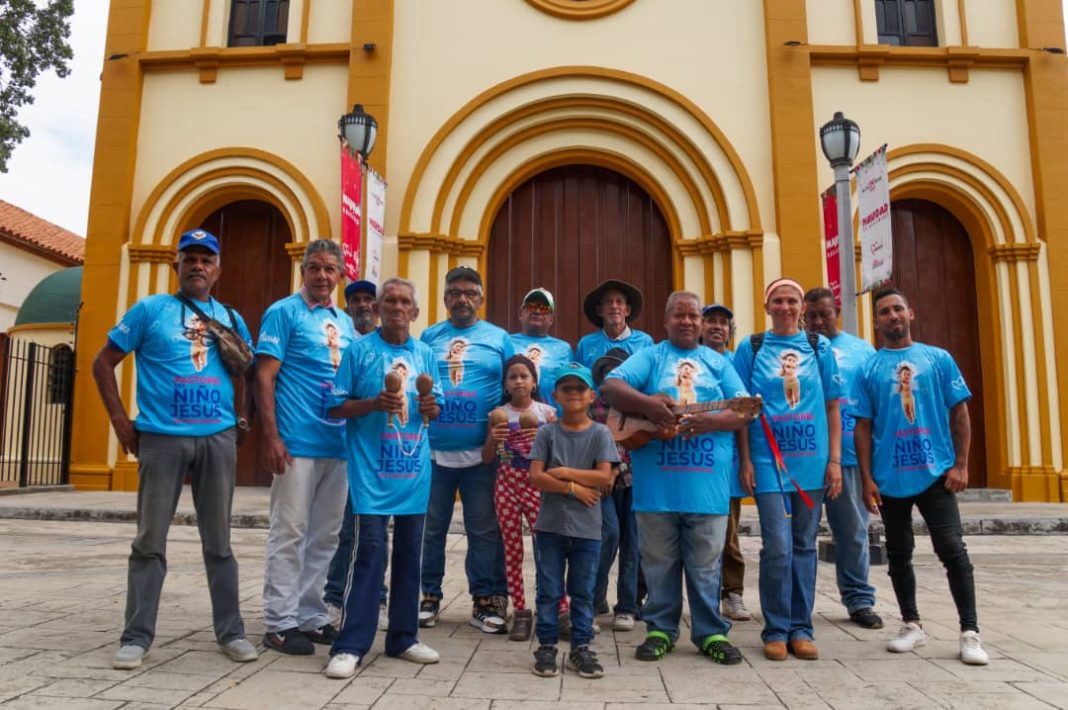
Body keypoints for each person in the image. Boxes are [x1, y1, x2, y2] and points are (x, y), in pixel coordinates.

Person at [91, 229, 258, 670]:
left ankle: (232, 632)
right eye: (190, 259)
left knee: (219, 541)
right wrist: (121, 422)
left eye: (207, 259)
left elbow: (251, 372)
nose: (198, 266)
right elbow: (102, 362)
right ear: (176, 266)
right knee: (149, 540)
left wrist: (242, 420)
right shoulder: (150, 310)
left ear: (217, 269)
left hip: (217, 438)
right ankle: (136, 636)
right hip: (162, 439)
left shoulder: (230, 317)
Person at [601, 291, 751, 666]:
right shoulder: (651, 356)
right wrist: (651, 405)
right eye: (679, 315)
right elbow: (611, 387)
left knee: (705, 566)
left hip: (708, 487)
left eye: (693, 316)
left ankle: (710, 632)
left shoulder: (717, 363)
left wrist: (707, 422)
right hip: (656, 488)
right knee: (658, 562)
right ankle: (660, 629)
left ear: (702, 323)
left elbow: (744, 411)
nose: (687, 321)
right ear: (666, 321)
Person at [852, 287, 989, 666]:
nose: (892, 316)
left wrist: (961, 464)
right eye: (884, 312)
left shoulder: (938, 359)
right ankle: (911, 624)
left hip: (936, 473)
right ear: (876, 320)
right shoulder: (869, 368)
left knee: (952, 549)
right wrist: (866, 479)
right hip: (889, 476)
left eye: (898, 309)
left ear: (911, 313)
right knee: (898, 553)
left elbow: (959, 412)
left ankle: (970, 631)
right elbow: (861, 427)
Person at [324, 277, 445, 678]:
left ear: (414, 311)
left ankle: (403, 638)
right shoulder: (359, 351)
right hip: (370, 475)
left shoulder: (426, 354)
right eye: (389, 300)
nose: (396, 306)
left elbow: (436, 409)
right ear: (378, 309)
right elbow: (335, 408)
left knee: (412, 556)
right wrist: (374, 403)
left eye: (404, 301)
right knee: (370, 554)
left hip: (413, 473)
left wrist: (429, 405)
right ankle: (351, 644)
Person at [733, 278, 843, 662]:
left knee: (803, 546)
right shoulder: (751, 347)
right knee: (777, 546)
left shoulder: (818, 347)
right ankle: (776, 628)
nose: (784, 307)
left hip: (811, 464)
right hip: (766, 462)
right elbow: (742, 410)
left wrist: (834, 461)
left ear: (801, 307)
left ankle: (802, 628)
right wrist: (745, 460)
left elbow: (832, 406)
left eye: (791, 301)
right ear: (767, 307)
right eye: (777, 301)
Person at [256, 240, 355, 655]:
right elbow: (264, 377)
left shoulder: (346, 322)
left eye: (330, 269)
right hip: (296, 443)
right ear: (303, 271)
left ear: (340, 275)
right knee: (289, 531)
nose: (321, 276)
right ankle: (279, 622)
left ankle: (311, 615)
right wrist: (271, 436)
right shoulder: (283, 312)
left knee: (325, 535)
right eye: (314, 268)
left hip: (339, 444)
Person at [419, 266, 515, 632]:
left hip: (482, 455)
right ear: (445, 298)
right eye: (455, 292)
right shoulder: (429, 337)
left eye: (469, 292)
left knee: (483, 529)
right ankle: (429, 597)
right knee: (431, 529)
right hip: (434, 452)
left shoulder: (499, 338)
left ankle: (484, 601)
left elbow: (515, 386)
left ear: (480, 299)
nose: (462, 298)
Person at [528, 363, 618, 679]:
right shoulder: (547, 433)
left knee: (582, 590)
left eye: (580, 388)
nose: (574, 393)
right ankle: (547, 646)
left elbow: (604, 476)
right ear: (556, 395)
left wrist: (565, 472)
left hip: (587, 529)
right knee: (549, 590)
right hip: (550, 526)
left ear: (592, 395)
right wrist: (573, 488)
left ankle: (582, 647)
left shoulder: (600, 433)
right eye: (567, 388)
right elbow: (536, 476)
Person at [803, 287, 883, 629]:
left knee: (852, 533)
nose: (819, 322)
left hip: (849, 458)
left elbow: (875, 406)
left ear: (837, 311)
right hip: (805, 456)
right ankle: (797, 604)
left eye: (825, 314)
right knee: (800, 537)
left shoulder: (862, 351)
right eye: (812, 316)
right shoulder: (796, 349)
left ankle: (859, 600)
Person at [325, 279, 390, 631]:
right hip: (334, 446)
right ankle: (335, 596)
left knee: (378, 529)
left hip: (376, 450)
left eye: (369, 299)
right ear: (347, 307)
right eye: (356, 300)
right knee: (341, 529)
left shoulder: (385, 345)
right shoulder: (340, 339)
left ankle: (377, 596)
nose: (364, 305)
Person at [482, 354, 557, 642]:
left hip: (537, 485)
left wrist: (543, 433)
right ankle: (522, 612)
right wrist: (493, 437)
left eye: (524, 376)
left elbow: (556, 456)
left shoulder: (547, 414)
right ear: (505, 384)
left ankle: (554, 608)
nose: (518, 381)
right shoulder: (497, 415)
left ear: (534, 382)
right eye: (512, 376)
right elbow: (487, 458)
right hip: (506, 484)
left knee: (546, 550)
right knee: (512, 551)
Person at [700, 303, 752, 623]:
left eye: (723, 323)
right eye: (711, 321)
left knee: (729, 531)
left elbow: (745, 415)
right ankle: (704, 592)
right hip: (699, 461)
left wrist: (746, 460)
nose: (718, 327)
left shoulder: (736, 364)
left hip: (729, 462)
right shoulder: (692, 361)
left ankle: (732, 592)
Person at [589, 347, 640, 632]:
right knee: (607, 534)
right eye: (608, 374)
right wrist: (605, 470)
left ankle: (627, 605)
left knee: (632, 543)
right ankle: (594, 598)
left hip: (633, 482)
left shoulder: (637, 406)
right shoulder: (592, 407)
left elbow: (639, 441)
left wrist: (618, 467)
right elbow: (588, 441)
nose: (612, 380)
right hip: (602, 483)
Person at [510, 287, 574, 408]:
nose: (537, 311)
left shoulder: (564, 349)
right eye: (531, 306)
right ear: (520, 313)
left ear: (551, 319)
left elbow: (571, 387)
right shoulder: (506, 342)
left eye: (544, 308)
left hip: (551, 421)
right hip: (513, 420)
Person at [576, 280, 654, 367]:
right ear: (599, 310)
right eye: (608, 301)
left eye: (619, 301)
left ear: (627, 310)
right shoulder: (586, 344)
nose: (614, 306)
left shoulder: (644, 342)